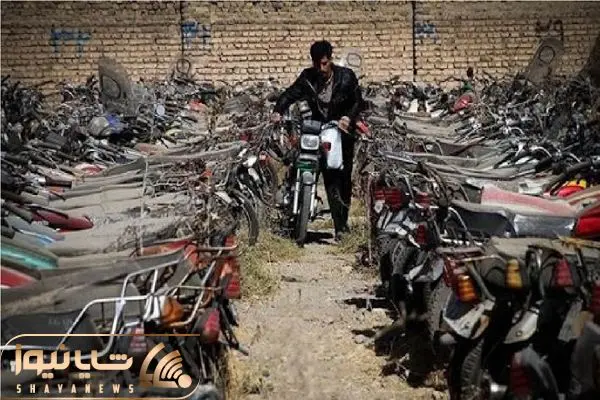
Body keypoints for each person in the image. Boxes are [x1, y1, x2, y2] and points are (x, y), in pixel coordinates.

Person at [271, 40, 365, 242]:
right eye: (317, 64)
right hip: (315, 129)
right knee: (300, 164)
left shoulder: (346, 77)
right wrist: (278, 110)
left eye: (324, 63)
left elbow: (358, 102)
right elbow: (290, 94)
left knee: (339, 180)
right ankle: (296, 213)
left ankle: (341, 227)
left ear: (330, 60)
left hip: (341, 134)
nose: (321, 68)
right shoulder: (307, 77)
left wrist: (347, 118)